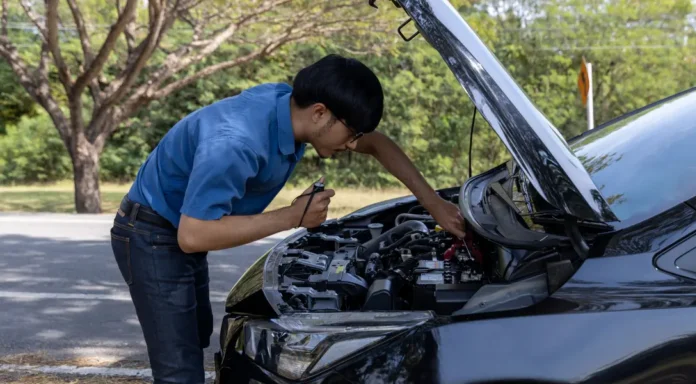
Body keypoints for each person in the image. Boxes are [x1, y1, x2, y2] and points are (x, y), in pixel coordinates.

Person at [109, 54, 465, 383]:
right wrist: (293, 216)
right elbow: (194, 234)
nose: (354, 144)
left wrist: (433, 204)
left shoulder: (289, 106)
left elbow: (378, 143)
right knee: (178, 368)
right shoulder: (237, 144)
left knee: (196, 336)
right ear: (320, 113)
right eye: (352, 133)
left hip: (178, 225)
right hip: (152, 233)